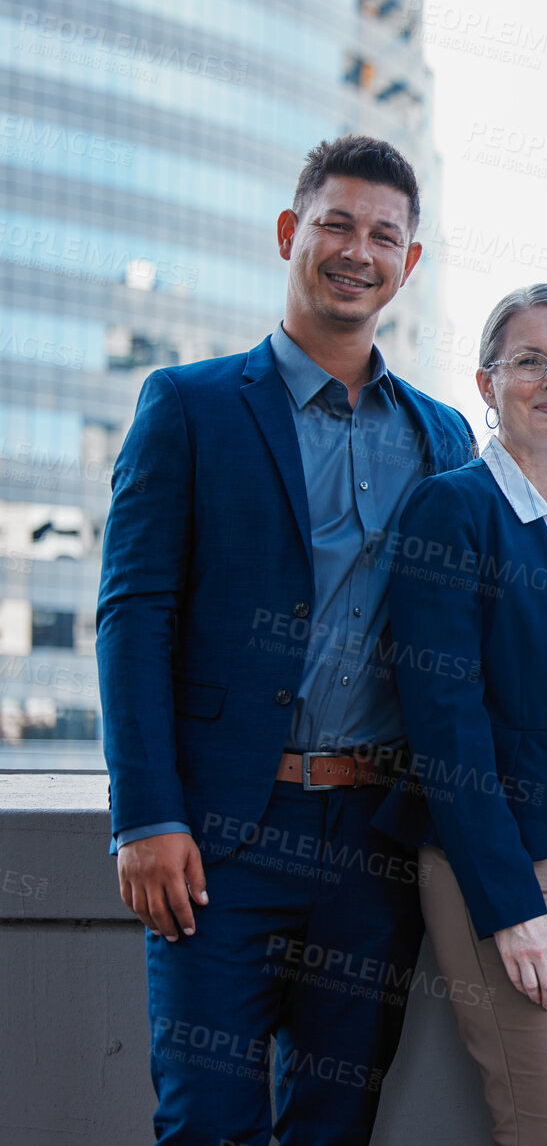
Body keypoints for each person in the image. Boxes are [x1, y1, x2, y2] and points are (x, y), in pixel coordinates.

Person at [97, 135, 475, 1143]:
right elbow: (132, 616)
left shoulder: (443, 436)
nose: (358, 250)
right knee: (207, 1119)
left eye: (384, 236)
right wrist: (144, 816)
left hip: (374, 843)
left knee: (335, 1123)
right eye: (336, 224)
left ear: (411, 263)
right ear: (288, 234)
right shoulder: (189, 406)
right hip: (221, 834)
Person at [372, 283, 547, 1145]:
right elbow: (444, 720)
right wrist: (507, 903)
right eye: (530, 360)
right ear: (487, 382)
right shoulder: (454, 507)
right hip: (519, 851)